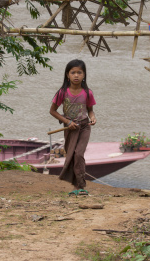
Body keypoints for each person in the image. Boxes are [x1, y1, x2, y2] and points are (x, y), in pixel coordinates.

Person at [50, 59, 96, 196]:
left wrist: (93, 117)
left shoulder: (87, 93)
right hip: (70, 129)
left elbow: (90, 110)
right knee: (71, 155)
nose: (76, 75)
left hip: (84, 127)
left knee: (79, 154)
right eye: (73, 72)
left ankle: (81, 185)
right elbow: (52, 111)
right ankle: (75, 186)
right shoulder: (62, 93)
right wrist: (67, 122)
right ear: (67, 75)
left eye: (79, 73)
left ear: (84, 75)